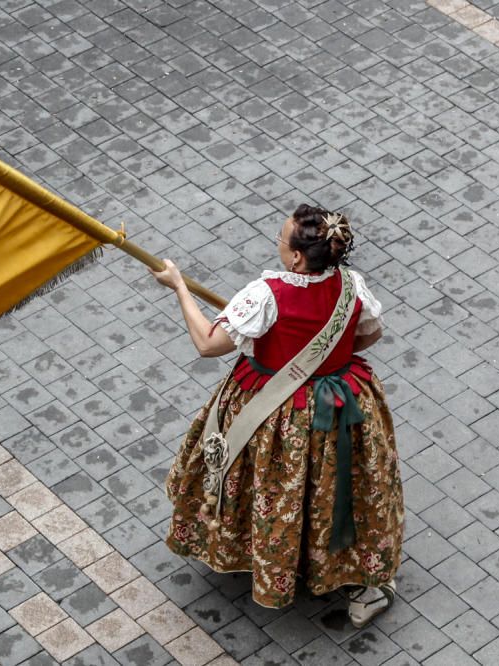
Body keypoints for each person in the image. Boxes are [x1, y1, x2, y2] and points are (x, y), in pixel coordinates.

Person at [150, 203, 403, 627]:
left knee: (272, 482)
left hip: (275, 410)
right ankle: (358, 577)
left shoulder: (265, 294)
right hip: (340, 404)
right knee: (339, 487)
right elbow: (370, 334)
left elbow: (209, 344)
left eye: (281, 240)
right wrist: (326, 364)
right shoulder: (351, 284)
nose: (278, 245)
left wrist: (179, 286)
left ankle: (265, 554)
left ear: (297, 257)